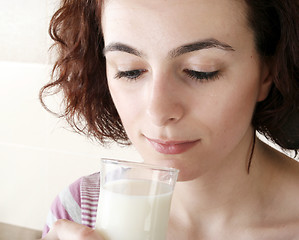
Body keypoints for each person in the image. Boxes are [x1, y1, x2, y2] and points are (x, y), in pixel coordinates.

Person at [40, 0, 299, 239]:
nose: (158, 111)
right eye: (130, 71)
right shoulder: (79, 213)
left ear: (267, 71)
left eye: (201, 72)